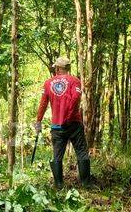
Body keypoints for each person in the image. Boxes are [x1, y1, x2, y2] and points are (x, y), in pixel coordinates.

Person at [34, 57, 91, 189]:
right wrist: (69, 116)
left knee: (57, 155)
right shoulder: (75, 81)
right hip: (73, 123)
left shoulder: (48, 83)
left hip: (57, 125)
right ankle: (86, 184)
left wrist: (39, 121)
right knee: (81, 152)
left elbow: (43, 103)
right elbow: (76, 98)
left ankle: (59, 185)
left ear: (58, 68)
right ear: (68, 68)